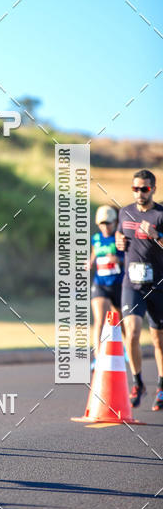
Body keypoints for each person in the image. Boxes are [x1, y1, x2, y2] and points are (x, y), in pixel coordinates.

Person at [115, 169, 163, 410]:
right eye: (135, 188)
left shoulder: (161, 214)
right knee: (132, 333)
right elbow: (119, 234)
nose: (139, 193)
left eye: (144, 189)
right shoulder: (125, 212)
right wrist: (118, 241)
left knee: (158, 340)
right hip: (131, 284)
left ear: (153, 189)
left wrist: (157, 235)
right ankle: (137, 383)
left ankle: (162, 386)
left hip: (159, 285)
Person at [90, 205, 124, 363]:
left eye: (108, 223)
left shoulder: (120, 238)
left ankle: (125, 350)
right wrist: (89, 263)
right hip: (100, 284)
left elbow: (130, 258)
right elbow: (95, 253)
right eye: (101, 224)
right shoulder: (96, 238)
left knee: (121, 321)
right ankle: (98, 357)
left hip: (118, 284)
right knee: (99, 319)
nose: (104, 227)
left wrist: (119, 260)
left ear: (115, 222)